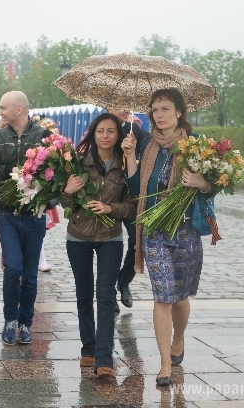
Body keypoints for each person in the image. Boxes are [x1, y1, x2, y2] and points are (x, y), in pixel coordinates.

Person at [121, 88, 215, 386]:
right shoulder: (148, 144)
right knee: (163, 296)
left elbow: (216, 185)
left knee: (180, 298)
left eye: (164, 109)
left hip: (185, 230)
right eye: (155, 110)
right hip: (153, 231)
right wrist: (129, 156)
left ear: (179, 112)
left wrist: (201, 182)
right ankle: (164, 364)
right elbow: (137, 186)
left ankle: (180, 339)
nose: (159, 115)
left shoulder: (196, 145)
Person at [61, 112, 136, 377]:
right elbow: (66, 206)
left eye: (111, 131)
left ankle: (104, 358)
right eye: (100, 131)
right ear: (93, 134)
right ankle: (88, 349)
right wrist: (67, 191)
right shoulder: (78, 162)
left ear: (119, 135)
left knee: (105, 294)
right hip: (78, 236)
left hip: (110, 238)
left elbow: (131, 206)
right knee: (84, 294)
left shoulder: (126, 165)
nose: (105, 136)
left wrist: (109, 207)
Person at [0, 91, 52, 345]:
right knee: (13, 266)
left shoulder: (44, 137)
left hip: (34, 213)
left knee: (30, 272)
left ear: (19, 109)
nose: (0, 112)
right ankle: (10, 318)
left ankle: (25, 323)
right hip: (6, 211)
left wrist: (46, 198)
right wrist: (11, 172)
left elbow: (56, 174)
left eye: (3, 108)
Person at [106, 108, 151, 313]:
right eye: (118, 104)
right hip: (107, 197)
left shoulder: (135, 131)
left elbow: (152, 151)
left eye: (127, 104)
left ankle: (123, 281)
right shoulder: (102, 128)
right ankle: (108, 294)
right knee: (109, 246)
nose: (125, 109)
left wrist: (141, 161)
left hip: (132, 197)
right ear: (107, 105)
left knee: (137, 241)